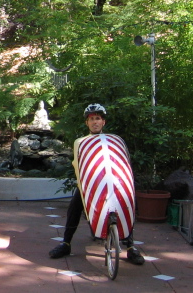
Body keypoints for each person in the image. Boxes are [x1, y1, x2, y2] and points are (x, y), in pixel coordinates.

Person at [48, 103, 145, 265]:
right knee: (74, 206)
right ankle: (65, 243)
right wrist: (82, 186)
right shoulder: (81, 142)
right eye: (91, 119)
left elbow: (123, 162)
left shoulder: (115, 140)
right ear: (87, 123)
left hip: (114, 182)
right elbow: (79, 165)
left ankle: (130, 247)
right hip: (91, 184)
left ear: (103, 122)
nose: (95, 122)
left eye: (98, 119)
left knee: (125, 204)